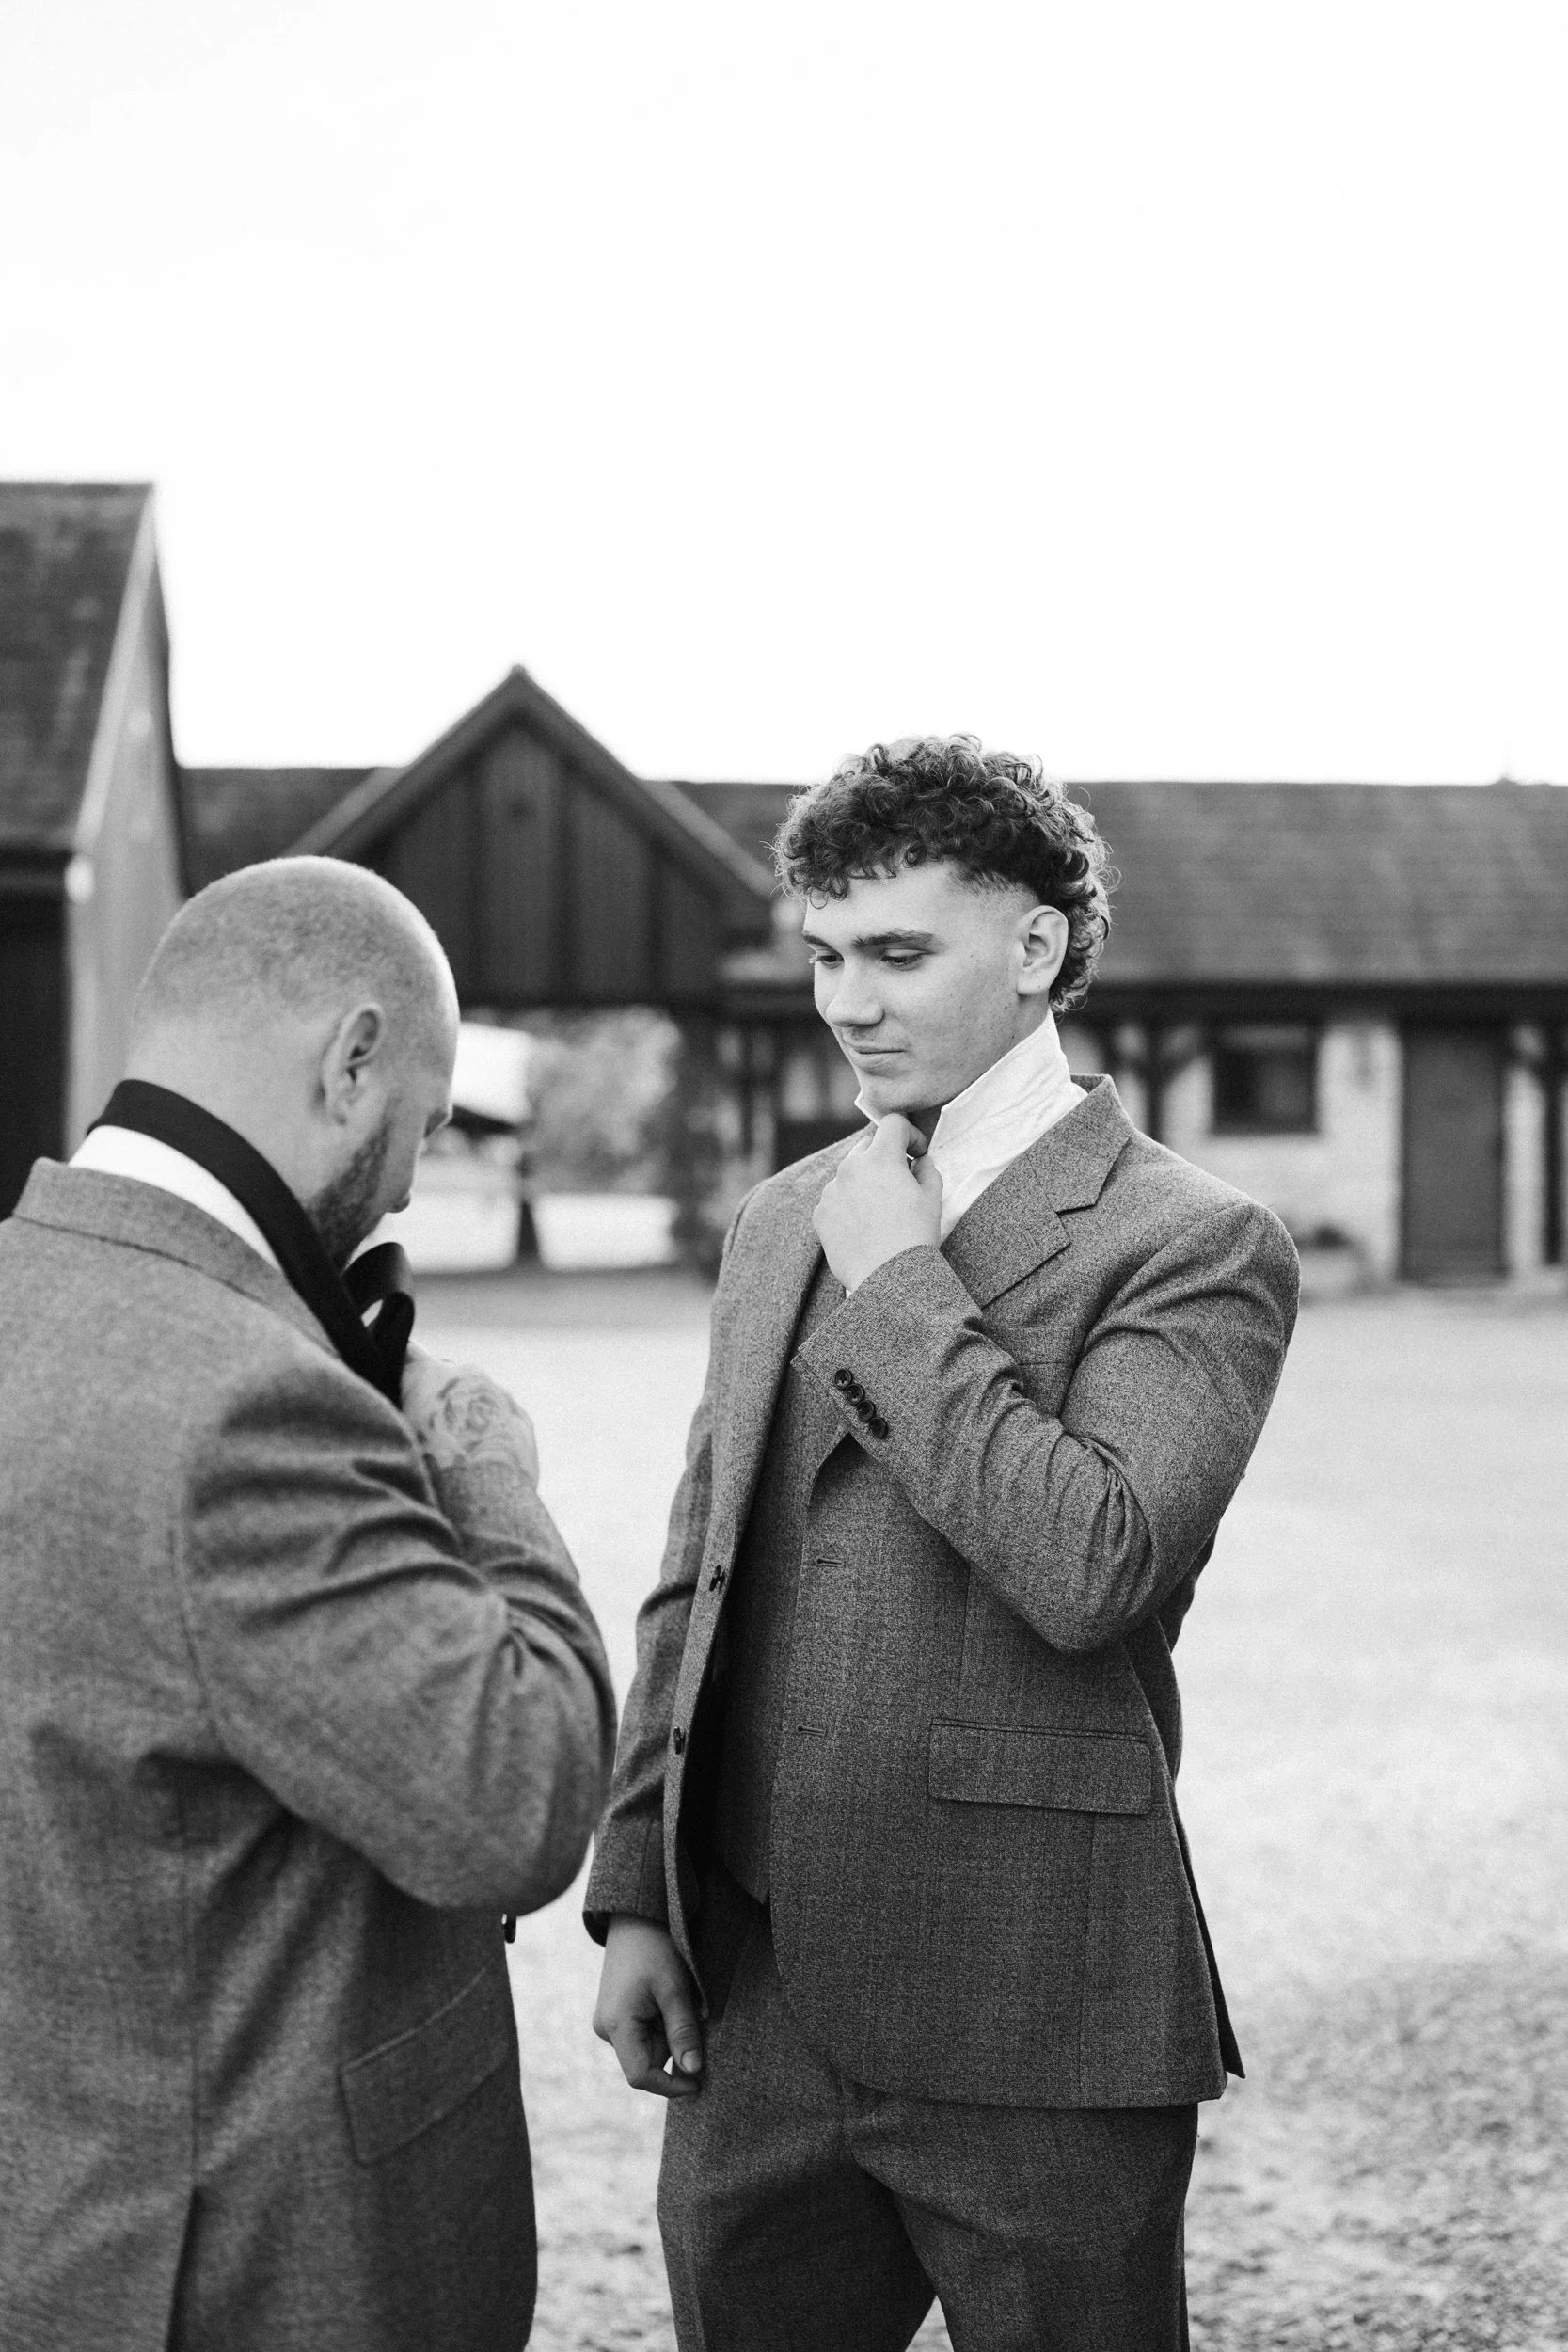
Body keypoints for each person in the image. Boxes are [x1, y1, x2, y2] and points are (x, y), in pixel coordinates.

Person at [588, 737, 1299, 2351]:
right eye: (825, 954)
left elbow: (1092, 1565)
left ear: (1034, 947)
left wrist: (905, 1284)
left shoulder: (1190, 1241)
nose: (846, 1000)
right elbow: (697, 1566)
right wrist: (638, 1887)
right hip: (752, 2011)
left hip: (1033, 1996)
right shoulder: (785, 1215)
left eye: (897, 953)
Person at [0, 856, 616, 2352]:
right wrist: (483, 1472)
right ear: (352, 1057)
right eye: (419, 1122)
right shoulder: (249, 1407)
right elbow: (514, 1797)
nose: (408, 1182)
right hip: (257, 2264)